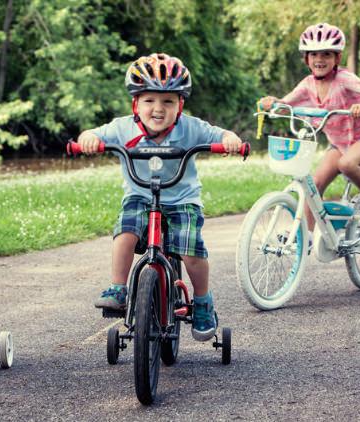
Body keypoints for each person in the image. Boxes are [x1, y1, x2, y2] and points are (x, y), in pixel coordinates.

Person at [77, 53, 243, 341]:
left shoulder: (190, 128)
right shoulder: (122, 128)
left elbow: (220, 133)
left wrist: (230, 140)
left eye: (168, 101)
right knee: (125, 232)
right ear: (135, 103)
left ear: (180, 105)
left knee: (191, 250)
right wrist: (87, 140)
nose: (158, 108)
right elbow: (91, 134)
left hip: (182, 200)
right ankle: (118, 288)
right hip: (140, 196)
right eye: (149, 100)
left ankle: (203, 301)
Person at [260, 22, 360, 233]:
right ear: (306, 59)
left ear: (337, 58)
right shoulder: (307, 84)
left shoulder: (344, 79)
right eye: (314, 55)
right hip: (337, 144)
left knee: (347, 164)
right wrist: (273, 104)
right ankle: (306, 237)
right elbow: (286, 104)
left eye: (327, 54)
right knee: (314, 184)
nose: (320, 60)